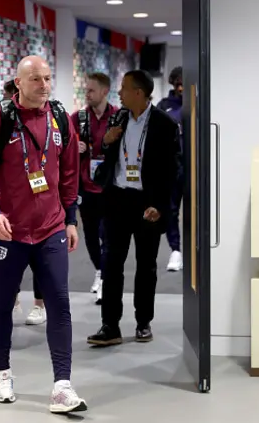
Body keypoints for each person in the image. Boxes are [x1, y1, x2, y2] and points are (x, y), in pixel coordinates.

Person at [0, 55, 87, 413]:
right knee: (2, 304)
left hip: (51, 228)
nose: (44, 85)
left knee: (59, 305)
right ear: (18, 83)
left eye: (48, 78)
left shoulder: (60, 121)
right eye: (36, 79)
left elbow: (70, 174)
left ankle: (62, 387)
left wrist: (70, 219)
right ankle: (3, 373)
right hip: (10, 231)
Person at [87, 70, 180, 346]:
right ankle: (110, 325)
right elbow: (106, 153)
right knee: (111, 263)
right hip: (117, 199)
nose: (119, 93)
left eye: (124, 88)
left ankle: (143, 322)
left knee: (146, 266)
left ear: (139, 93)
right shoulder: (118, 117)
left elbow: (172, 171)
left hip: (146, 203)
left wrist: (160, 206)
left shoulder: (164, 124)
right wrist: (106, 141)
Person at [0, 78, 47, 325]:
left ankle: (40, 304)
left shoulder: (44, 119)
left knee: (38, 259)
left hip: (41, 201)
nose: (9, 104)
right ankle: (14, 299)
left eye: (11, 98)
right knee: (10, 257)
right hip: (11, 204)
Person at [72, 72, 118, 304]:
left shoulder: (120, 117)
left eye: (91, 90)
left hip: (111, 188)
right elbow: (62, 148)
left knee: (108, 235)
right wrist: (74, 147)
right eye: (85, 90)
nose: (87, 94)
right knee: (90, 234)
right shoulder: (77, 118)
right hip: (86, 188)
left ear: (104, 92)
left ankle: (106, 276)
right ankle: (100, 271)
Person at [156, 66, 184, 272]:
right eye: (177, 82)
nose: (180, 86)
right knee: (171, 210)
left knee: (195, 211)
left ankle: (195, 251)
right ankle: (176, 250)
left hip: (192, 165)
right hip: (171, 166)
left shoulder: (197, 104)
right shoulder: (164, 106)